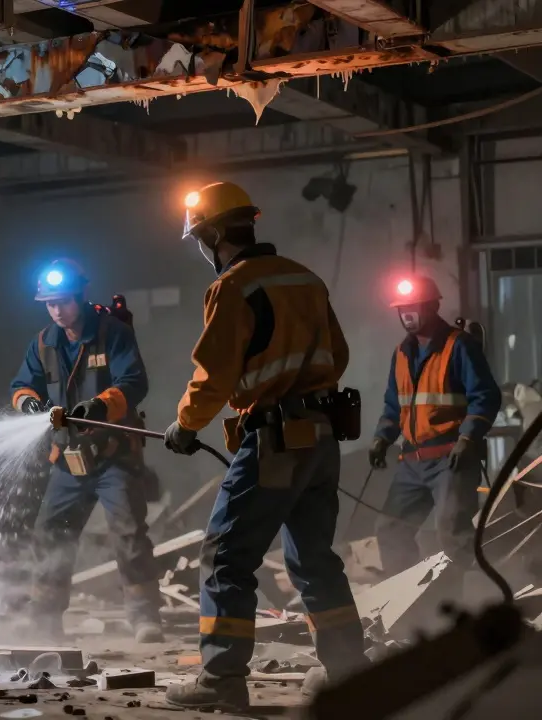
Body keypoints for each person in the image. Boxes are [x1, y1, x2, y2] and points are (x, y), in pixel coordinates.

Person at [163, 182, 365, 712]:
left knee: (226, 556)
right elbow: (338, 355)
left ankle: (221, 678)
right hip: (322, 438)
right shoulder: (306, 278)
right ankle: (347, 673)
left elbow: (214, 375)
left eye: (201, 239)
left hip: (277, 440)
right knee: (315, 559)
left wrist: (186, 426)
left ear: (212, 235)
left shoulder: (234, 286)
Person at [10, 259, 163, 643]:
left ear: (79, 296)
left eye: (63, 301)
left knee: (128, 534)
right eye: (49, 304)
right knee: (50, 534)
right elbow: (21, 386)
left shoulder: (113, 332)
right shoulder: (43, 343)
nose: (57, 310)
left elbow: (134, 382)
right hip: (69, 458)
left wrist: (100, 406)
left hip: (115, 456)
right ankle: (44, 621)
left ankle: (145, 618)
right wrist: (29, 403)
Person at [369, 276, 501, 576]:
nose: (407, 314)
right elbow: (394, 404)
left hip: (451, 460)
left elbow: (485, 396)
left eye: (413, 307)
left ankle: (476, 605)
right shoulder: (402, 353)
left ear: (432, 306)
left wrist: (468, 438)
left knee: (452, 534)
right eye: (402, 308)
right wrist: (382, 438)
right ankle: (412, 606)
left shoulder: (459, 346)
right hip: (412, 462)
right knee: (390, 529)